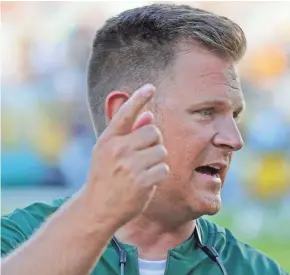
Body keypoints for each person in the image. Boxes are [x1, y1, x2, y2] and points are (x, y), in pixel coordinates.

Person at [1, 4, 288, 275]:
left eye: (234, 115)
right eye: (206, 112)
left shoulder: (254, 269)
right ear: (128, 115)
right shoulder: (18, 240)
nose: (234, 139)